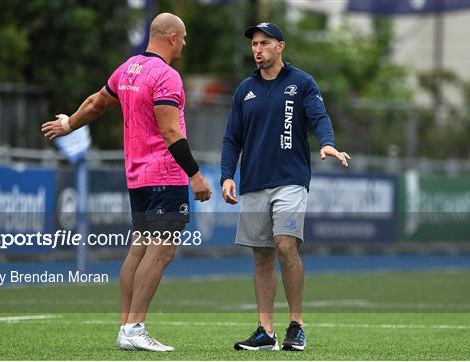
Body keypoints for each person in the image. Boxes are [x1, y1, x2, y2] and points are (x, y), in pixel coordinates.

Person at [41, 12, 212, 352]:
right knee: (161, 249)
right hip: (165, 173)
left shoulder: (128, 68)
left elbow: (95, 103)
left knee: (139, 248)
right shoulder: (167, 76)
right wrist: (195, 174)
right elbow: (170, 130)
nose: (185, 44)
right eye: (184, 37)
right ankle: (135, 326)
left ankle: (126, 328)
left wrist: (69, 124)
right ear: (173, 38)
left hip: (137, 174)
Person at [221, 22, 350, 352]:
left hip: (291, 181)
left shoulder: (302, 82)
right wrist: (226, 176)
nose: (258, 49)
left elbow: (319, 117)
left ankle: (297, 325)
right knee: (261, 256)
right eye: (254, 44)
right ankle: (266, 331)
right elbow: (231, 139)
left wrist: (327, 143)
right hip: (253, 183)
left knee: (284, 244)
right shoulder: (243, 90)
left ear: (281, 46)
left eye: (265, 43)